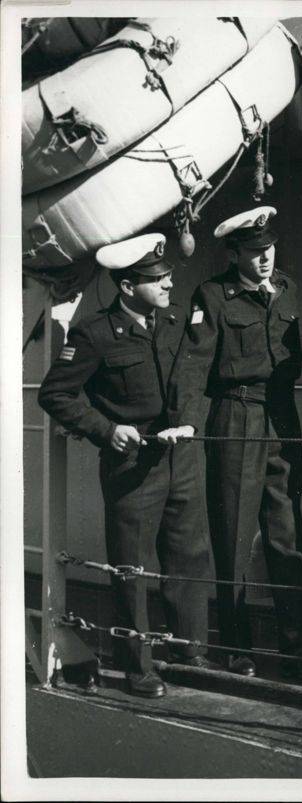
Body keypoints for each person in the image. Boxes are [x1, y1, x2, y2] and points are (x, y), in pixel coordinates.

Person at [39, 233, 216, 698]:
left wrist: (191, 424)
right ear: (127, 286)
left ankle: (190, 650)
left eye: (167, 276)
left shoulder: (176, 322)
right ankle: (137, 664)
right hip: (133, 465)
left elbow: (195, 381)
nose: (168, 285)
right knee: (131, 566)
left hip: (181, 457)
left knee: (189, 555)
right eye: (157, 279)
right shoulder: (95, 333)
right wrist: (106, 429)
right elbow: (54, 394)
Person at [160, 206, 302, 683]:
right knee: (232, 534)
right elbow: (194, 363)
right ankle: (236, 648)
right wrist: (187, 422)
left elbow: (286, 351)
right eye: (254, 253)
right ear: (234, 254)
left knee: (287, 533)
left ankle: (296, 647)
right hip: (235, 414)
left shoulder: (287, 289)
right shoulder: (213, 295)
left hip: (281, 416)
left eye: (268, 250)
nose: (264, 259)